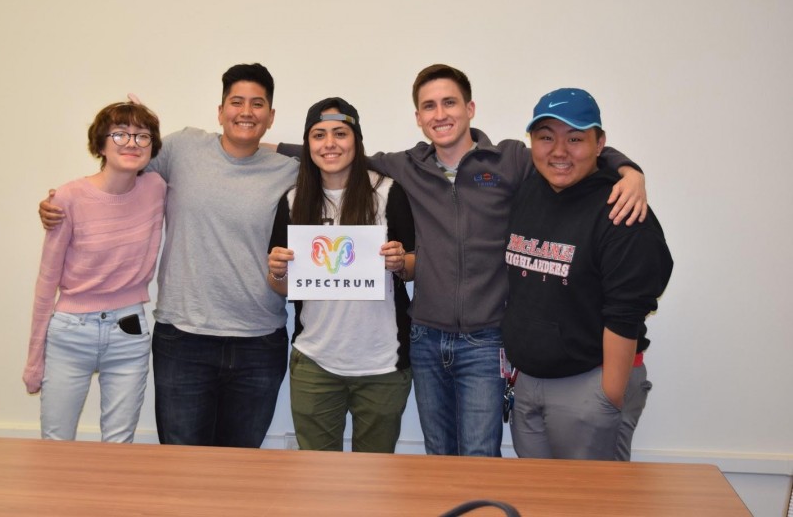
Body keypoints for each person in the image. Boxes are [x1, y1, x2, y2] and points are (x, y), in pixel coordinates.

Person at [274, 64, 648, 457]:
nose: (440, 114)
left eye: (449, 102)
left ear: (470, 108)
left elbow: (569, 151)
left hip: (486, 340)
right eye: (429, 106)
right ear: (418, 118)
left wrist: (628, 170)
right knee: (438, 455)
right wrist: (257, 146)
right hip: (424, 337)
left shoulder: (511, 159)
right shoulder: (406, 167)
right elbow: (337, 151)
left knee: (479, 458)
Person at [40, 64, 300, 447]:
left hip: (259, 343)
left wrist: (276, 146)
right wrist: (59, 201)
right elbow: (122, 169)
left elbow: (340, 157)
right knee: (180, 470)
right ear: (220, 110)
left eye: (257, 104)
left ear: (271, 116)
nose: (246, 111)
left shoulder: (289, 170)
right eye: (236, 102)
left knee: (241, 470)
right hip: (183, 340)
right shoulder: (183, 148)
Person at [502, 88, 673, 460]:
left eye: (576, 138)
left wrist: (608, 396)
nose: (559, 151)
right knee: (539, 503)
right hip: (528, 384)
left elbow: (626, 311)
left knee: (591, 507)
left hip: (589, 385)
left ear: (600, 144)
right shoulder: (529, 188)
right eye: (546, 137)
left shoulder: (621, 210)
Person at [267, 97, 415, 453]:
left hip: (382, 362)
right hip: (315, 361)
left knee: (376, 477)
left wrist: (399, 262)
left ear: (356, 140)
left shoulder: (388, 192)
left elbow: (413, 265)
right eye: (318, 135)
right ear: (308, 145)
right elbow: (280, 286)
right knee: (316, 479)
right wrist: (276, 271)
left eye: (340, 133)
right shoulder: (292, 199)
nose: (329, 143)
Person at [23, 101, 165, 442]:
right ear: (100, 144)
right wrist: (34, 360)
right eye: (120, 134)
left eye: (141, 136)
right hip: (71, 332)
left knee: (118, 446)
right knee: (56, 442)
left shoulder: (156, 187)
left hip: (129, 331)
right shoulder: (68, 198)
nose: (131, 143)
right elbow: (46, 281)